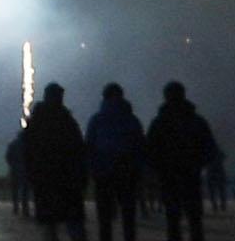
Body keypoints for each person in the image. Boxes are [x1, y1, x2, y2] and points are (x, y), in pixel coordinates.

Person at [144, 86, 212, 241]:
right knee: (195, 219)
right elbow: (209, 149)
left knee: (173, 221)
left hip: (168, 176)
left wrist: (158, 168)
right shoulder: (197, 121)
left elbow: (149, 151)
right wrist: (198, 164)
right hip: (191, 175)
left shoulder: (159, 122)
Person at [20, 84, 84, 241]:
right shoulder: (67, 120)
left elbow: (27, 150)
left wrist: (31, 174)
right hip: (67, 178)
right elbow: (78, 149)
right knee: (73, 221)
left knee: (50, 224)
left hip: (44, 179)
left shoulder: (36, 122)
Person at [83, 86, 143, 241]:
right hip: (127, 172)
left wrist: (92, 169)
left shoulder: (97, 120)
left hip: (103, 174)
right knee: (128, 217)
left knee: (105, 219)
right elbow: (140, 146)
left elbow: (88, 146)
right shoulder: (131, 119)